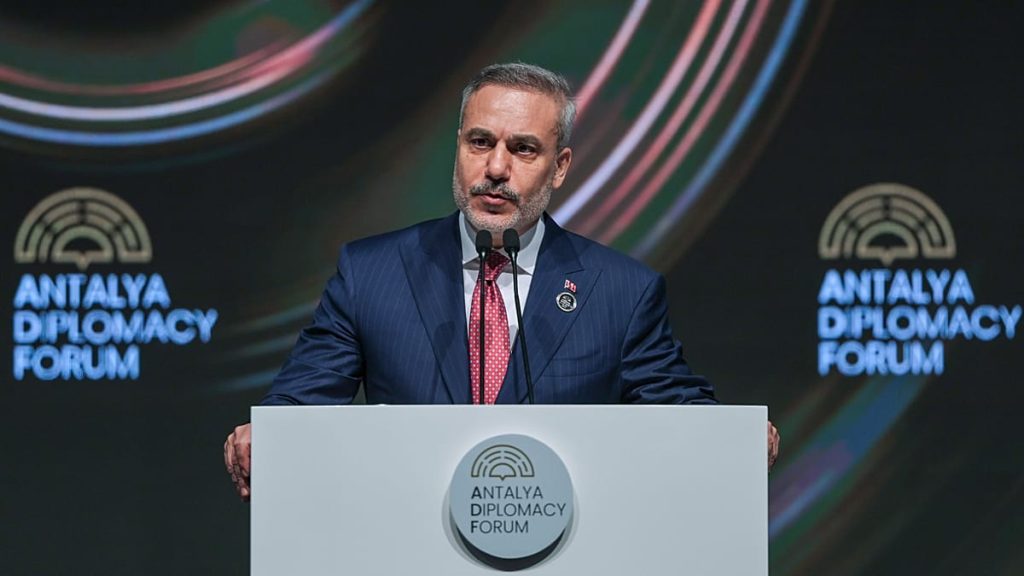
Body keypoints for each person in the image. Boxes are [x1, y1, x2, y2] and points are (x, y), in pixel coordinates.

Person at [224, 62, 780, 500]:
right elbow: (303, 397)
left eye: (523, 149)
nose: (495, 168)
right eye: (480, 142)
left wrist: (731, 438)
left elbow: (676, 403)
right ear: (458, 146)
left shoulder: (621, 291)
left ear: (559, 167)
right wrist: (269, 432)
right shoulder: (372, 273)